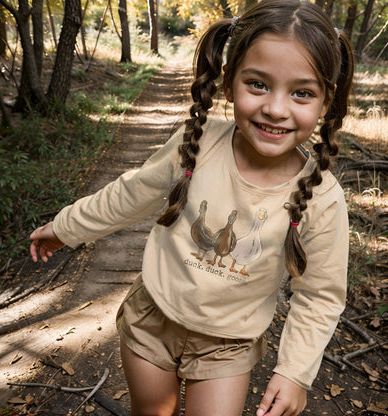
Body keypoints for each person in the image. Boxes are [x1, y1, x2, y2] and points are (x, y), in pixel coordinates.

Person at [30, 0, 355, 414]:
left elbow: (320, 296)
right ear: (229, 81)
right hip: (152, 319)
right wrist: (66, 227)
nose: (275, 108)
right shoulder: (197, 143)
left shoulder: (322, 198)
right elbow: (130, 193)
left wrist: (294, 371)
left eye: (302, 93)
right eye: (257, 84)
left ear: (325, 103)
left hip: (228, 347)